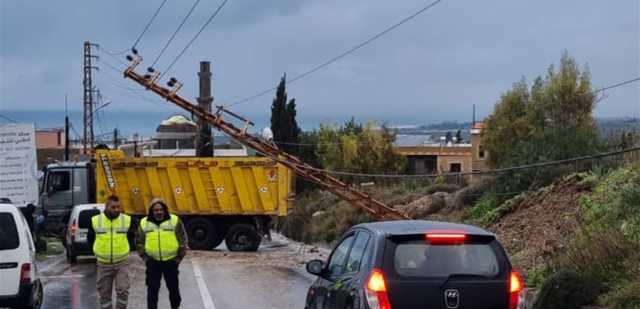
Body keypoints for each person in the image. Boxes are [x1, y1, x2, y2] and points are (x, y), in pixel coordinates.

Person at [137, 198, 188, 309]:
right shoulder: (144, 222)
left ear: (165, 210)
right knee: (152, 291)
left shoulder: (174, 220)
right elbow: (139, 242)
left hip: (171, 261)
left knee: (174, 290)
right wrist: (146, 259)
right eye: (156, 210)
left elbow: (183, 239)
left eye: (161, 209)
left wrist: (178, 258)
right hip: (153, 262)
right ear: (151, 211)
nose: (159, 212)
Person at [87, 195, 136, 309]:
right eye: (113, 207)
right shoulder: (95, 220)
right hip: (103, 264)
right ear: (106, 207)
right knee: (104, 293)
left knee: (123, 290)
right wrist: (96, 251)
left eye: (118, 207)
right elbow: (90, 239)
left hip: (122, 263)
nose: (116, 210)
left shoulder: (127, 220)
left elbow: (133, 235)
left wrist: (130, 247)